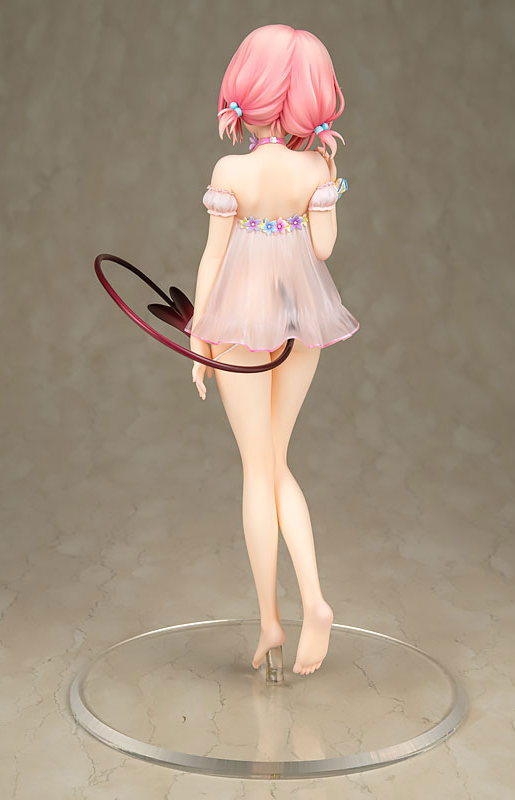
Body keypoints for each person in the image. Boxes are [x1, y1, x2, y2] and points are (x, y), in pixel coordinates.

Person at [185, 24, 359, 676]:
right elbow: (322, 249)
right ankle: (313, 599)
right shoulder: (316, 168)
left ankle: (271, 622)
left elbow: (213, 257)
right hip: (301, 317)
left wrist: (198, 336)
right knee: (278, 460)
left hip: (238, 321)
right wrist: (327, 188)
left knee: (259, 471)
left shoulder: (231, 170)